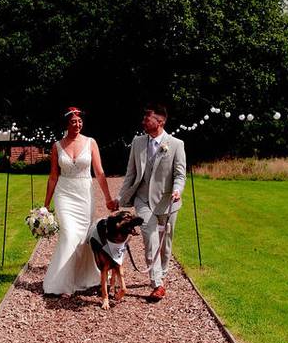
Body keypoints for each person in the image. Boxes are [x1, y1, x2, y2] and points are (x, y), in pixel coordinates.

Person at [42, 107, 118, 297]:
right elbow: (53, 177)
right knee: (68, 235)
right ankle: (61, 284)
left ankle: (84, 278)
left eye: (79, 121)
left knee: (83, 239)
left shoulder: (90, 142)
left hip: (84, 194)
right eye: (73, 121)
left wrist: (108, 198)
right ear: (66, 124)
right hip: (64, 194)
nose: (77, 124)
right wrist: (46, 205)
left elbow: (99, 172)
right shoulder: (57, 146)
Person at [117, 104, 186, 302]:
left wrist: (177, 190)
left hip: (167, 202)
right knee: (150, 237)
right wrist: (120, 198)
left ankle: (161, 273)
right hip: (142, 200)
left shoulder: (176, 144)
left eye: (147, 119)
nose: (143, 122)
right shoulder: (137, 142)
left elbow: (180, 174)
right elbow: (131, 174)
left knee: (166, 243)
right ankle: (157, 283)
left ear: (160, 122)